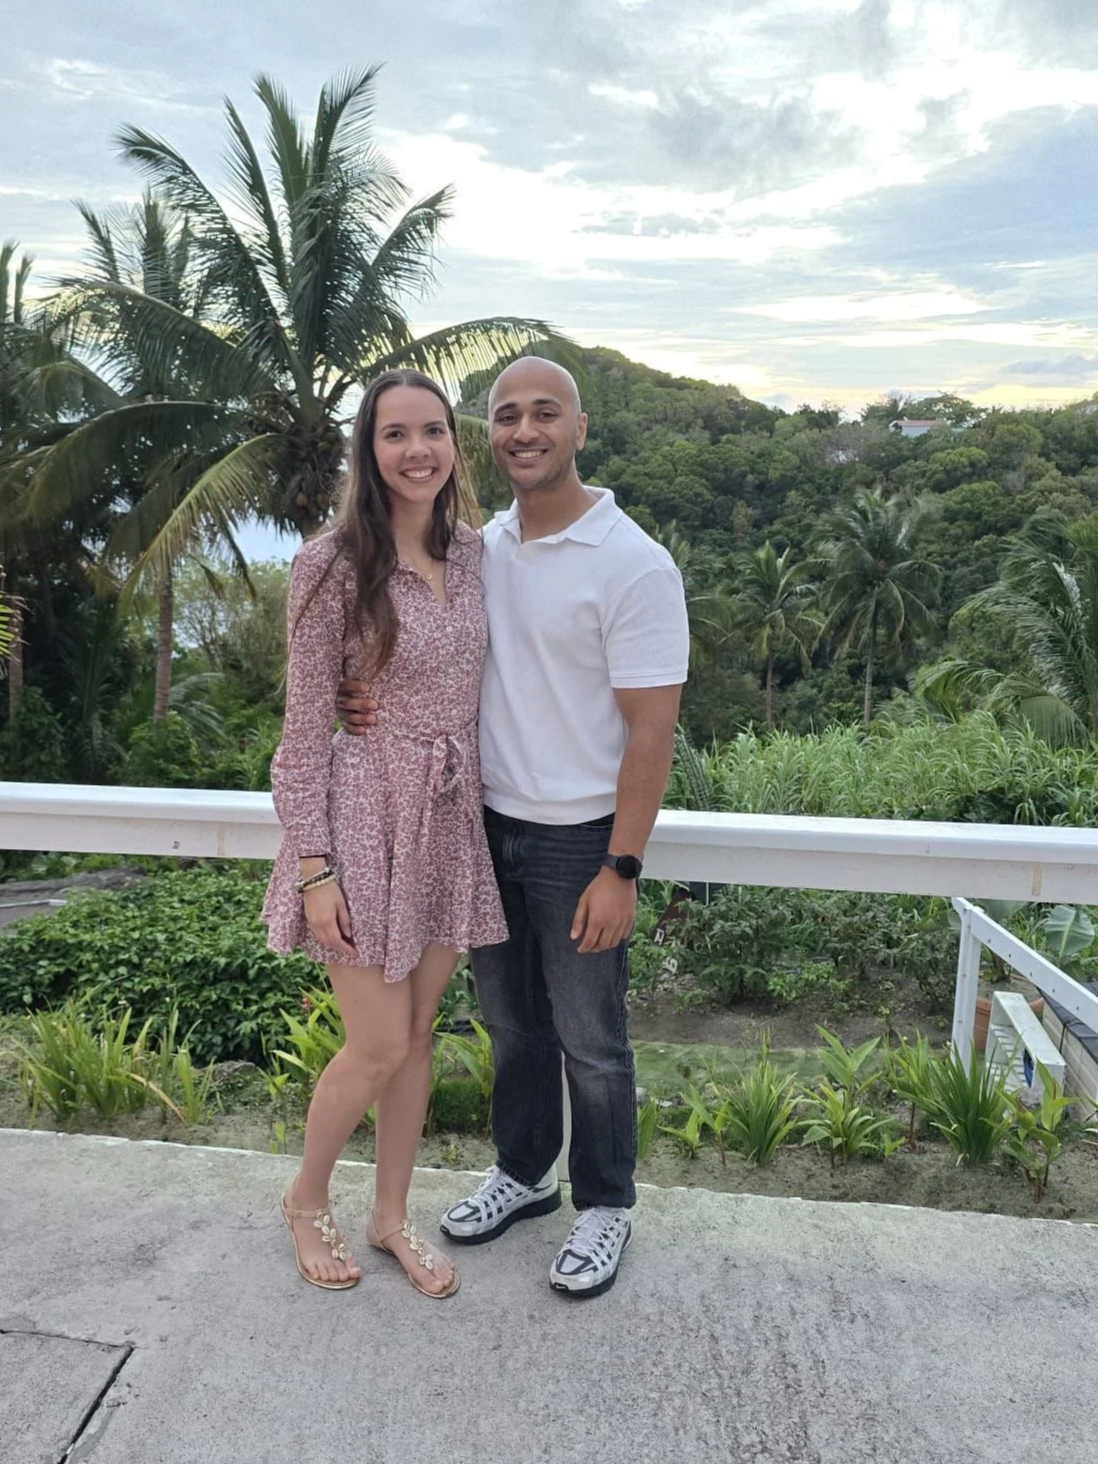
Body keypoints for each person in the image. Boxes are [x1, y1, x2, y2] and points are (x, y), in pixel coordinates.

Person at [337, 356, 689, 1297]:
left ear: (580, 429)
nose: (524, 431)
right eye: (505, 415)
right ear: (486, 434)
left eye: (545, 413)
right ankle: (525, 1173)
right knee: (512, 1025)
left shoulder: (634, 564)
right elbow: (411, 644)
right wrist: (354, 695)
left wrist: (622, 864)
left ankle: (605, 1203)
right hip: (483, 827)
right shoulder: (480, 548)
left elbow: (653, 731)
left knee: (591, 1038)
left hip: (580, 839)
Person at [263, 368, 508, 1295]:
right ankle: (304, 1199)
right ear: (368, 450)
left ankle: (390, 1217)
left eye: (433, 431)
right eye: (395, 433)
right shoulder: (330, 564)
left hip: (447, 819)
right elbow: (299, 739)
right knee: (376, 1044)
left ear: (455, 443)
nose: (418, 450)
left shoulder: (476, 554)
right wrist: (314, 869)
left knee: (417, 1035)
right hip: (363, 819)